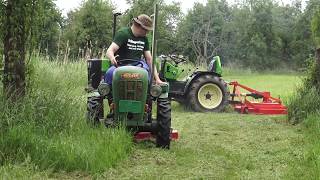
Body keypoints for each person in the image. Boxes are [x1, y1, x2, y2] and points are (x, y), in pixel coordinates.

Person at [104, 14, 164, 85]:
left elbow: (149, 59)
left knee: (146, 74)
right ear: (138, 26)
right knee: (110, 73)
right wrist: (112, 57)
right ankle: (109, 94)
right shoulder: (123, 34)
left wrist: (157, 79)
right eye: (146, 30)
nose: (147, 32)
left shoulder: (144, 39)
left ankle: (146, 95)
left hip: (138, 65)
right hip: (121, 65)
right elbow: (110, 50)